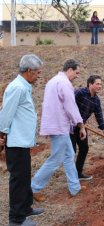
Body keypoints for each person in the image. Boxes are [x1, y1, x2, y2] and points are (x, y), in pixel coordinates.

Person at [31, 59, 87, 202]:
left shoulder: (53, 81)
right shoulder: (64, 83)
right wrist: (80, 124)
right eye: (77, 72)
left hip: (57, 124)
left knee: (69, 155)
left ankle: (75, 187)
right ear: (69, 69)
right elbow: (70, 106)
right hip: (59, 126)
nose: (77, 76)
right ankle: (33, 188)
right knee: (55, 159)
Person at [0, 54, 44, 226]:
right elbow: (6, 115)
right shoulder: (17, 87)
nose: (39, 75)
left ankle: (25, 208)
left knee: (25, 177)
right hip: (16, 143)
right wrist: (1, 135)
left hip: (23, 142)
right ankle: (16, 219)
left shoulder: (24, 86)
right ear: (28, 71)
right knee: (18, 180)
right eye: (37, 72)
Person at [71, 75, 104, 181]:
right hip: (69, 126)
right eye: (97, 84)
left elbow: (99, 115)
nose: (100, 86)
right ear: (90, 84)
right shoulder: (80, 93)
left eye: (101, 84)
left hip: (81, 127)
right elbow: (69, 105)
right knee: (71, 151)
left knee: (84, 148)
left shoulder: (96, 100)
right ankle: (71, 177)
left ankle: (78, 173)